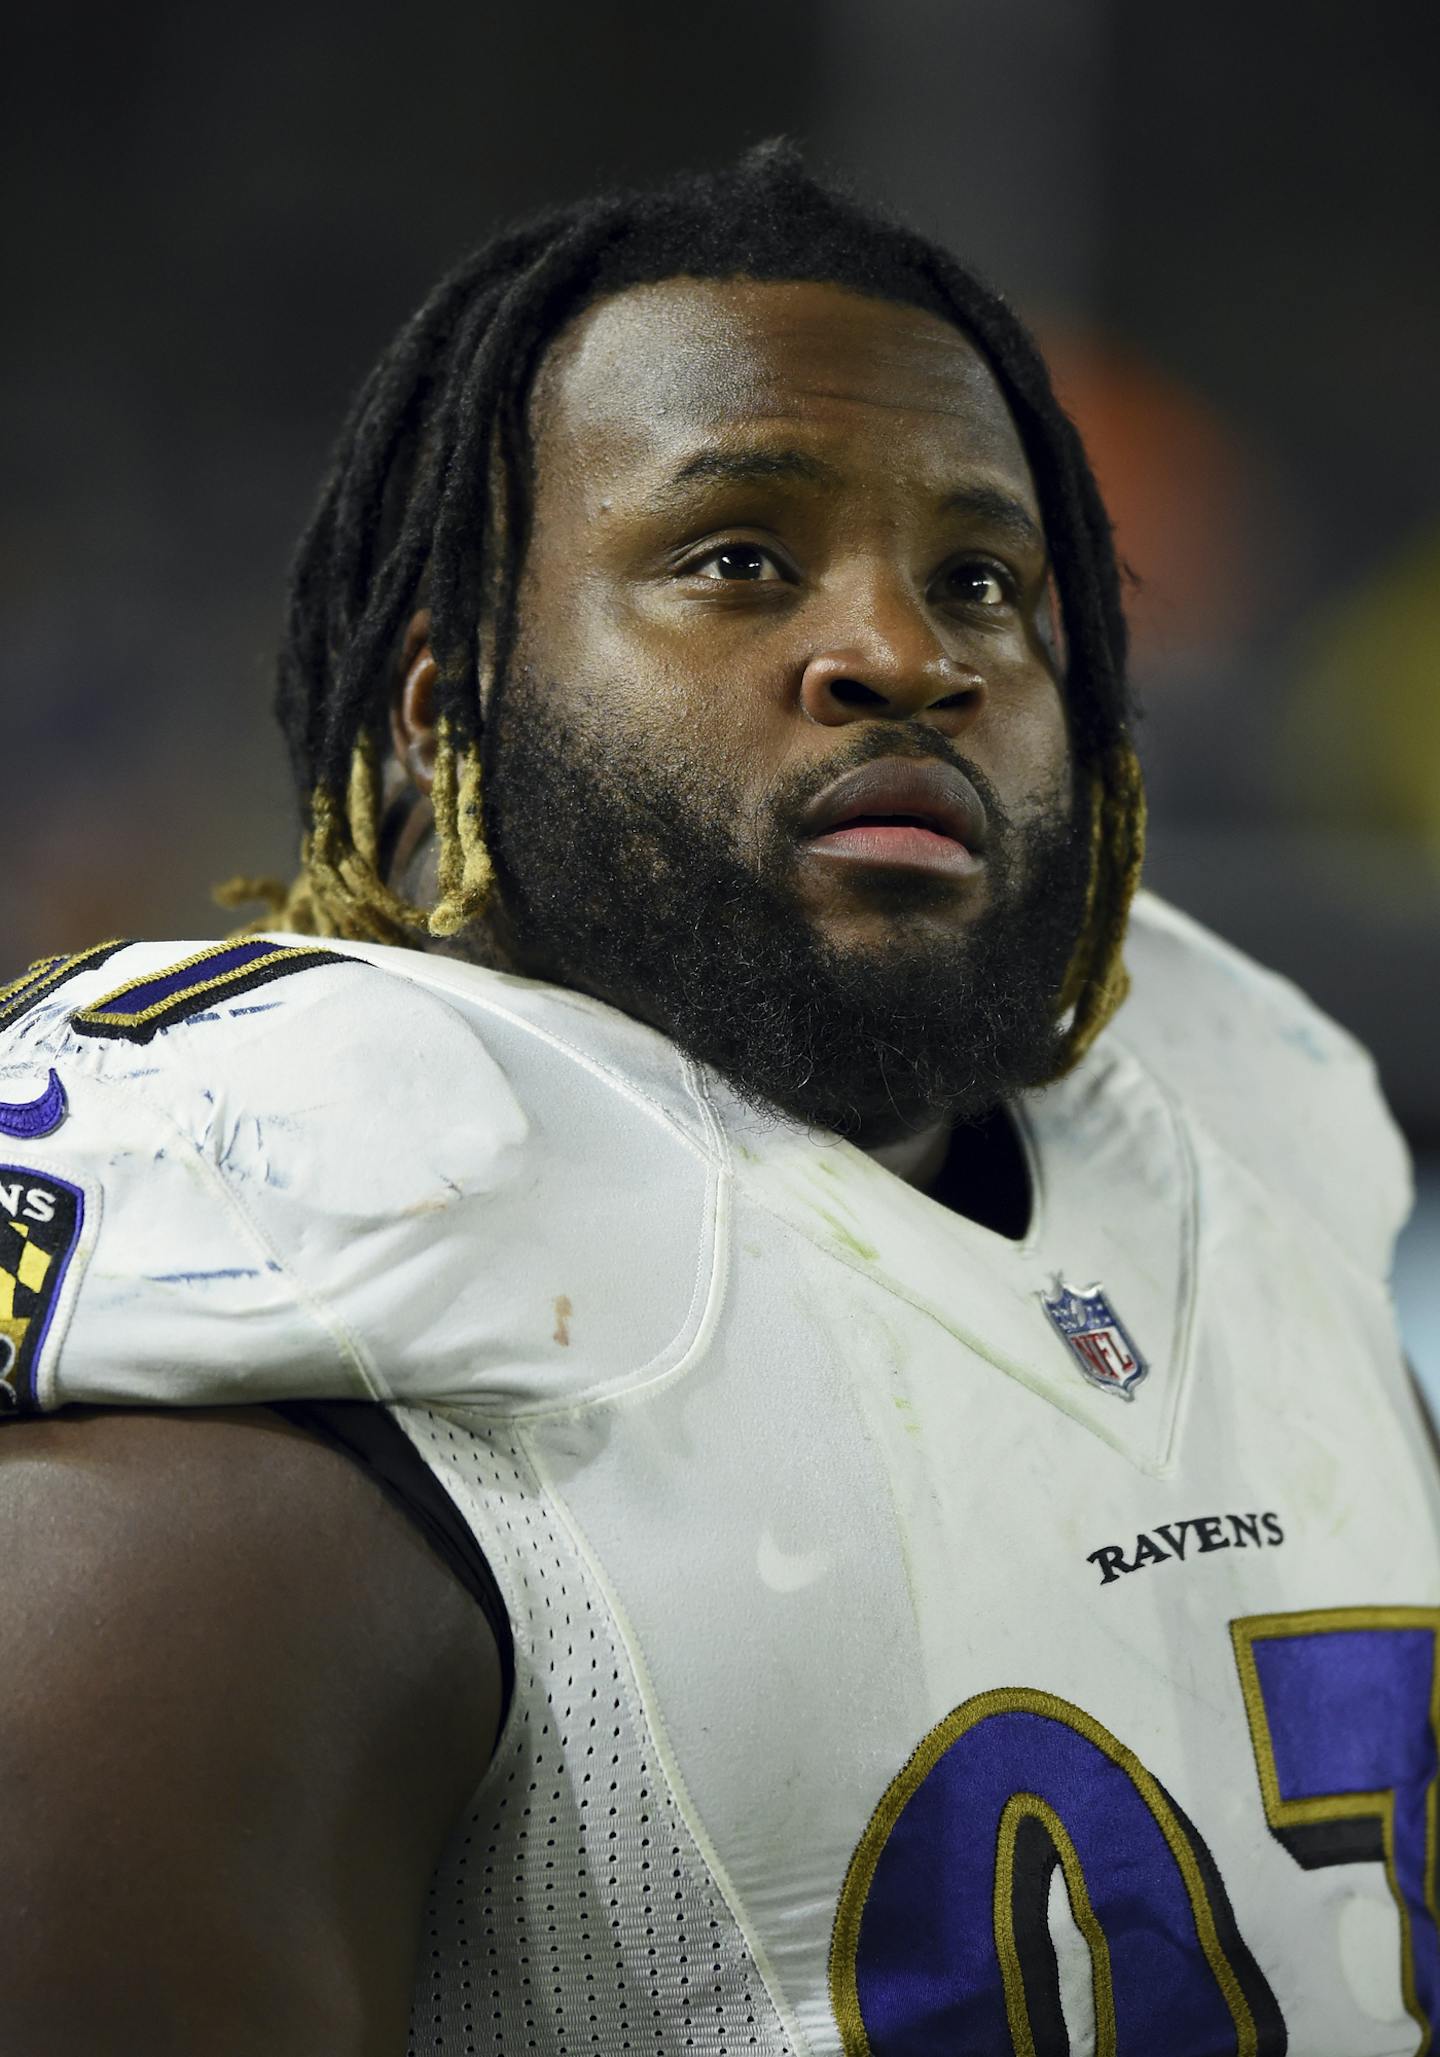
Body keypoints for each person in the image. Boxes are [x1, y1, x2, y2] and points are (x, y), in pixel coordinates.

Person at [0, 142, 1432, 2056]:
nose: (908, 655)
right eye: (737, 557)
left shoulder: (1258, 1164)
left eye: (987, 582)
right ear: (446, 710)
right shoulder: (286, 1365)